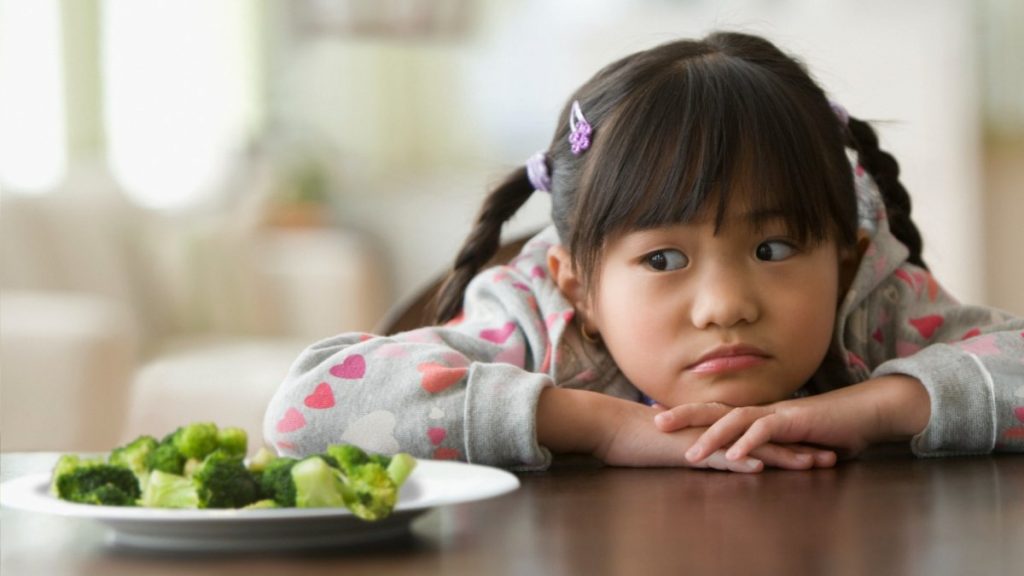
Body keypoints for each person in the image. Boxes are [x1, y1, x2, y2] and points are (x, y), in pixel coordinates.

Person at [264, 31, 1024, 473]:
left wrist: (876, 408)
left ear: (849, 261)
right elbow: (304, 413)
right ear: (581, 287)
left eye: (774, 245)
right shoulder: (541, 328)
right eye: (664, 260)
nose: (727, 304)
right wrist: (600, 427)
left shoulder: (872, 307)